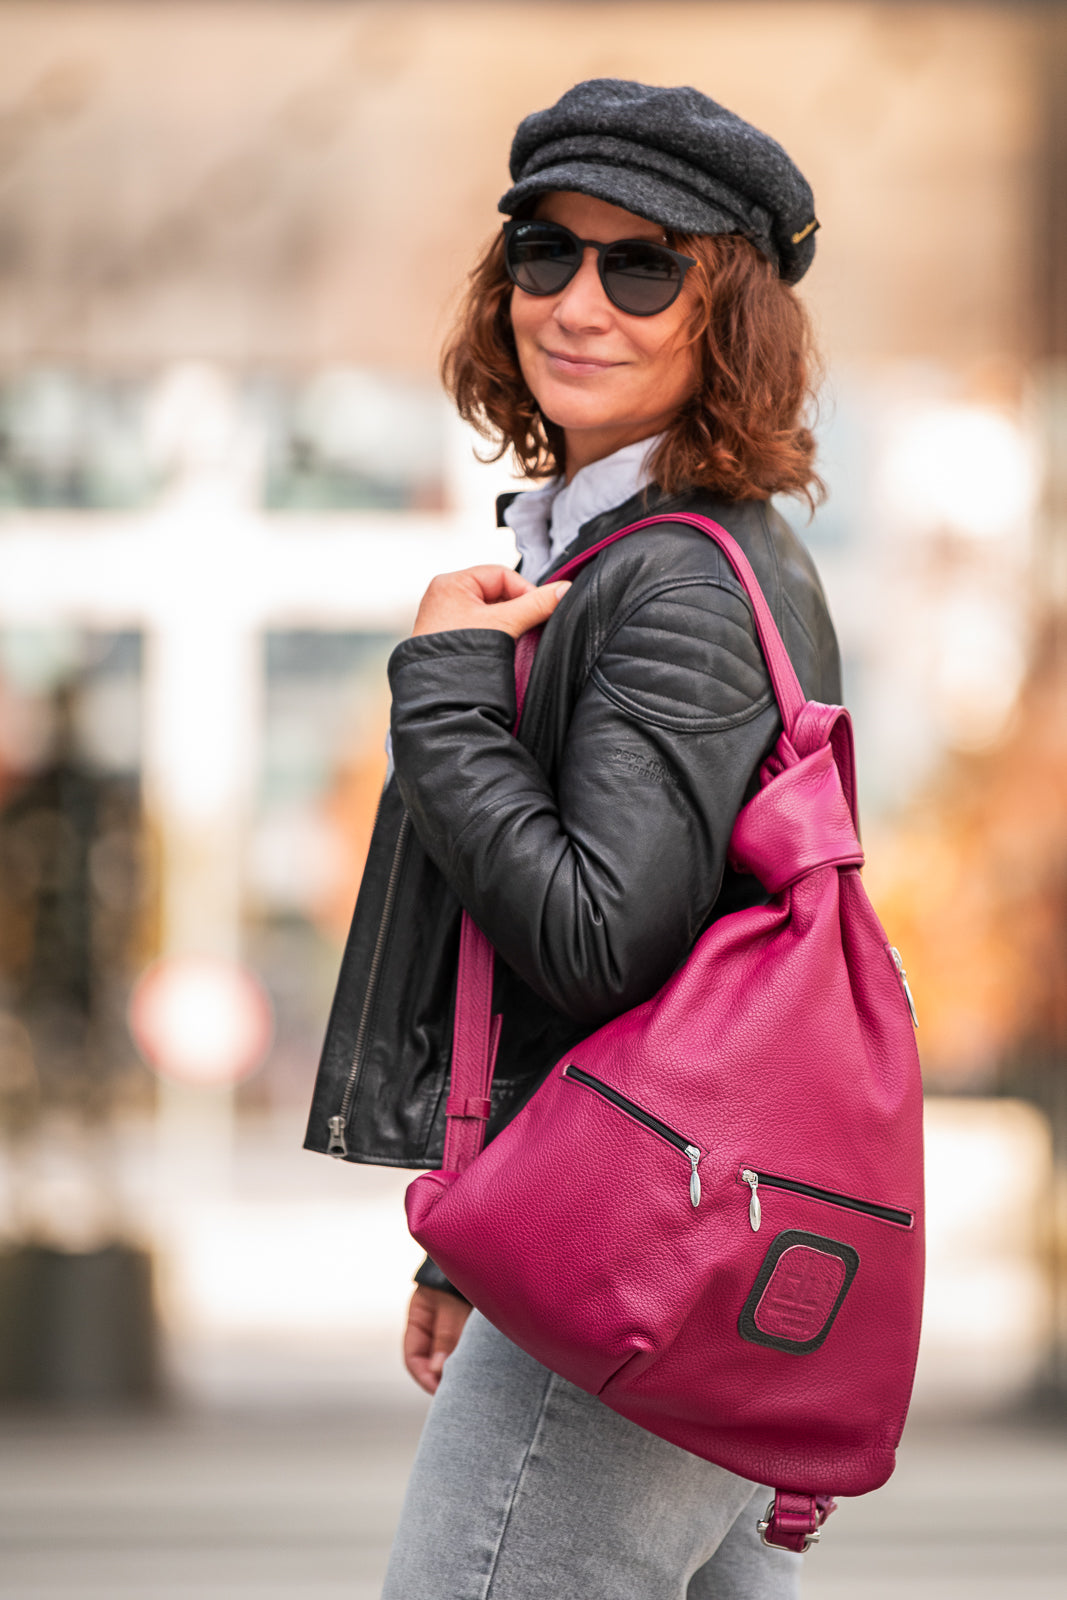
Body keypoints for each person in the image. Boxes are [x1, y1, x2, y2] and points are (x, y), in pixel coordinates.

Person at [304, 79, 841, 1598]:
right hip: (685, 1232)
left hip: (636, 1261)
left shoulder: (672, 579)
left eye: (643, 265)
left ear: (723, 311)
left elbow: (604, 936)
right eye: (547, 253)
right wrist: (467, 1241)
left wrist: (444, 694)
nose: (578, 301)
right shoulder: (644, 552)